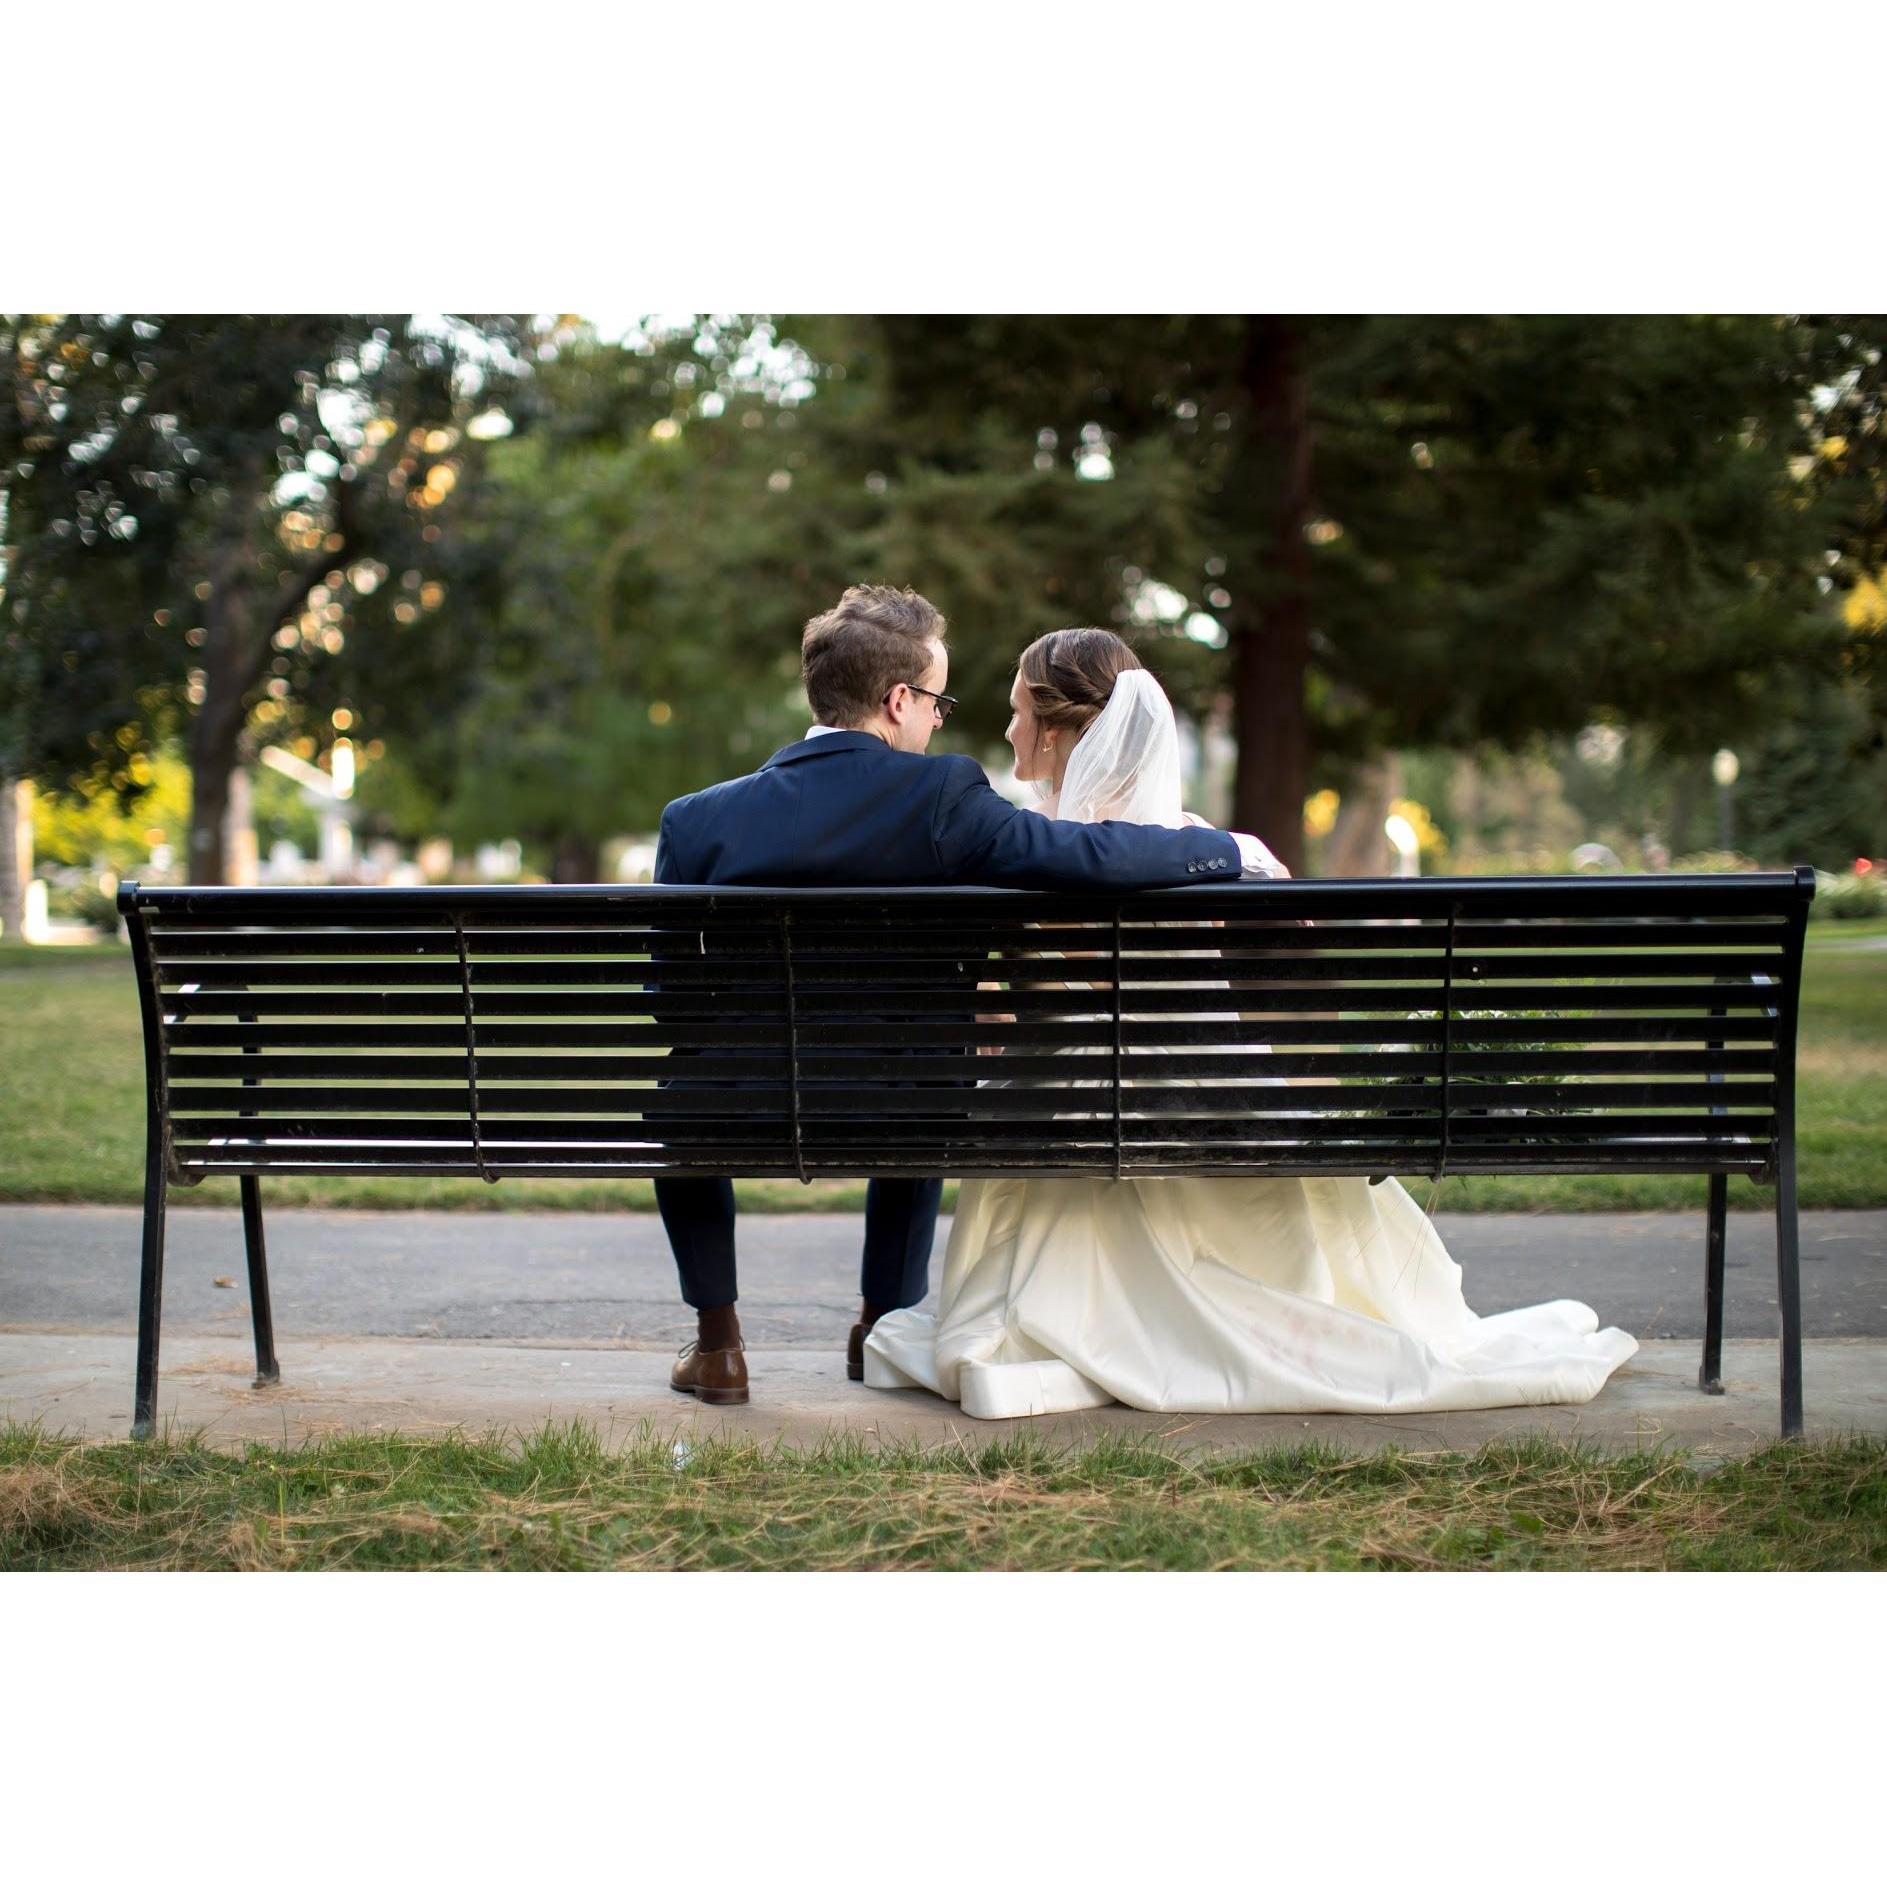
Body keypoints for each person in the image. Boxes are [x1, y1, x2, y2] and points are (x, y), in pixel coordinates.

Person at [863, 628, 1638, 1418]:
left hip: (1075, 1127)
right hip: (1228, 1112)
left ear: (1057, 731)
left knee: (1044, 1087)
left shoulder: (1029, 856)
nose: (1006, 730)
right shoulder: (1218, 850)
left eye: (1017, 711)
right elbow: (1301, 1004)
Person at [652, 588, 1288, 1406]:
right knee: (921, 1069)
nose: (942, 721)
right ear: (897, 701)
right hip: (903, 1104)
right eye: (938, 701)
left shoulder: (696, 820)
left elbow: (669, 1000)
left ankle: (718, 1347)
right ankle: (878, 1324)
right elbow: (1084, 856)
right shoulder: (945, 797)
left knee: (687, 1100)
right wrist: (1222, 849)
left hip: (732, 1103)